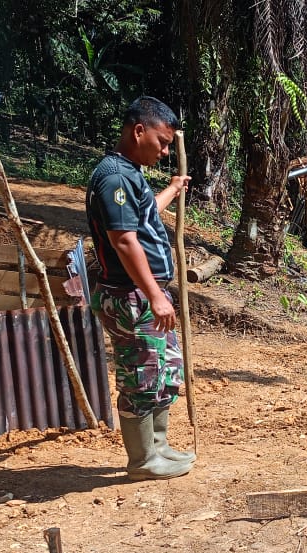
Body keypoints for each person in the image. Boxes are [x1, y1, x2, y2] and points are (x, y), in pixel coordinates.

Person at [86, 95, 194, 481]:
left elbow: (146, 216)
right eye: (162, 142)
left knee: (165, 371)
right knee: (141, 375)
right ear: (138, 131)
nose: (166, 151)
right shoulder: (114, 177)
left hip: (147, 296)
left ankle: (159, 447)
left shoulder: (130, 174)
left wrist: (173, 189)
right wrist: (154, 295)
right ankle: (142, 460)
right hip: (129, 297)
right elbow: (124, 241)